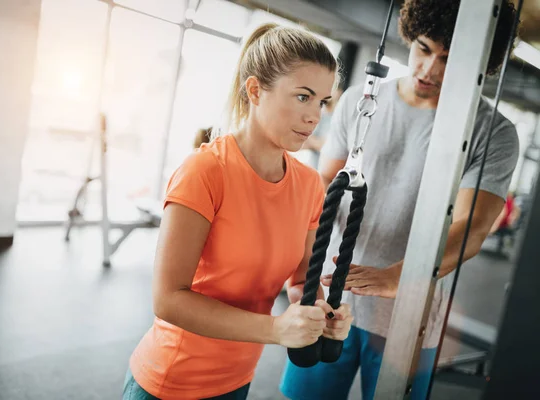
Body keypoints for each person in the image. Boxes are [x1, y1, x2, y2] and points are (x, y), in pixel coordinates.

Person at [279, 1, 520, 399]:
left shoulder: (493, 133)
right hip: (330, 296)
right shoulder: (361, 99)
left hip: (410, 318)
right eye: (424, 49)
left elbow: (472, 228)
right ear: (410, 36)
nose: (430, 69)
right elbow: (326, 182)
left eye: (448, 58)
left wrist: (402, 276)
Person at [123, 23, 354, 400]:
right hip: (170, 382)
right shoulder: (205, 171)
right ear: (255, 90)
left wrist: (321, 315)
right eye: (302, 97)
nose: (315, 116)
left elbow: (300, 282)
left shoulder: (310, 185)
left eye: (322, 102)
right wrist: (276, 329)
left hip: (236, 380)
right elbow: (168, 299)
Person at [300, 84, 344, 169]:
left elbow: (335, 149)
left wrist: (317, 143)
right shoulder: (320, 114)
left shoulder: (339, 118)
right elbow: (305, 142)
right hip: (313, 165)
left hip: (328, 168)